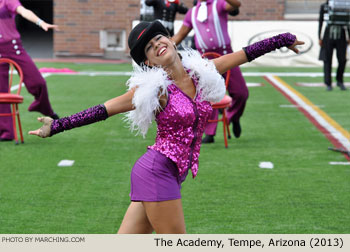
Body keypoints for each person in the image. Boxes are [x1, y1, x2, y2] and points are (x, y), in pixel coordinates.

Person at [29, 20, 303, 233]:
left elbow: (244, 54)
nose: (157, 44)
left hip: (169, 175)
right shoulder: (154, 90)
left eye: (159, 38)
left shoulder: (201, 72)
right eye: (149, 47)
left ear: (171, 41)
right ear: (148, 62)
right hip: (156, 173)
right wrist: (59, 125)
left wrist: (284, 39)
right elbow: (105, 109)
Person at [172, 0, 248, 143]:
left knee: (241, 93)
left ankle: (233, 117)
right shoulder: (191, 13)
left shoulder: (218, 4)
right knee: (207, 96)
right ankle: (210, 133)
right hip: (204, 61)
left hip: (227, 56)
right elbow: (178, 36)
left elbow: (236, 4)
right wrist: (162, 46)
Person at [0, 0, 59, 141]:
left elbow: (23, 11)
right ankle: (6, 132)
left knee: (38, 82)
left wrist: (40, 22)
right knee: (1, 93)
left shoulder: (7, 1)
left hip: (13, 47)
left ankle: (45, 109)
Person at [319, 0, 350, 91]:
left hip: (341, 35)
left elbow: (347, 21)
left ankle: (339, 81)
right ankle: (328, 83)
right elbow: (320, 21)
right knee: (327, 59)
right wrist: (319, 37)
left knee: (342, 59)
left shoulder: (345, 5)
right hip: (328, 35)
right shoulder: (324, 6)